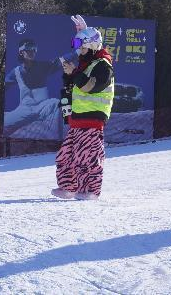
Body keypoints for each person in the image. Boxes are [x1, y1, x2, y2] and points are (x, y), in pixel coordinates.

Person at [52, 15, 114, 201]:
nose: (78, 50)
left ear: (93, 46)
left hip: (92, 120)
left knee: (87, 157)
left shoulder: (103, 66)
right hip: (77, 120)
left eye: (82, 46)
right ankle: (69, 187)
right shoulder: (87, 65)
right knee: (66, 155)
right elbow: (75, 85)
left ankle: (90, 191)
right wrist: (69, 75)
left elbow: (90, 86)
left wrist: (74, 73)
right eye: (77, 46)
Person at [4, 38, 75, 139]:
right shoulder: (16, 72)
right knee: (5, 123)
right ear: (21, 52)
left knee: (56, 103)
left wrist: (78, 52)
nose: (32, 51)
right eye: (28, 48)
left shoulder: (42, 66)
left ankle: (65, 138)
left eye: (34, 49)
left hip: (43, 107)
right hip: (25, 109)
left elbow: (61, 60)